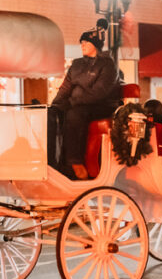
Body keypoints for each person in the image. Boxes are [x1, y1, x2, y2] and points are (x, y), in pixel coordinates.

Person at [48, 28, 119, 179]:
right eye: (81, 42)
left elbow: (100, 92)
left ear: (96, 44)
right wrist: (55, 105)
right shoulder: (77, 64)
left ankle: (75, 162)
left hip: (101, 105)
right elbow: (66, 87)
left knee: (75, 114)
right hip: (77, 104)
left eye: (86, 41)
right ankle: (52, 160)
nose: (82, 44)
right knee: (51, 115)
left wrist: (73, 102)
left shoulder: (107, 65)